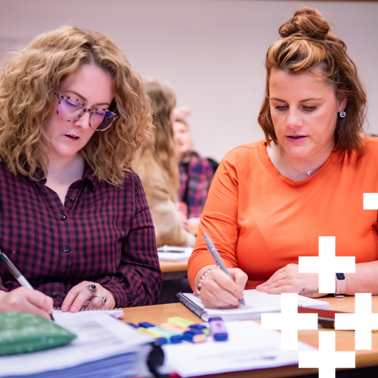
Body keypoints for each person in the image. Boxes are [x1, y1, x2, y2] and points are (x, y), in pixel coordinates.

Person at [188, 8, 378, 309]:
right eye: (280, 106)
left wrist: (328, 278)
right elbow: (207, 256)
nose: (291, 122)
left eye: (309, 107)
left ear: (341, 100)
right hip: (258, 328)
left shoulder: (372, 163)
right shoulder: (240, 165)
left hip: (350, 332)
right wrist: (209, 278)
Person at [0, 26, 163, 319]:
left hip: (99, 341)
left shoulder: (122, 184)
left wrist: (109, 294)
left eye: (99, 110)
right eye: (73, 102)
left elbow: (147, 274)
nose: (84, 122)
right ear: (34, 94)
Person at [133, 77, 195, 247]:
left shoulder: (135, 158)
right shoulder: (147, 168)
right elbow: (169, 233)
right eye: (171, 113)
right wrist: (196, 244)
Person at [173, 118, 215, 219]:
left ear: (191, 137)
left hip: (201, 226)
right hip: (173, 228)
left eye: (182, 131)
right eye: (172, 133)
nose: (178, 137)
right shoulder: (163, 170)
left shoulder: (208, 166)